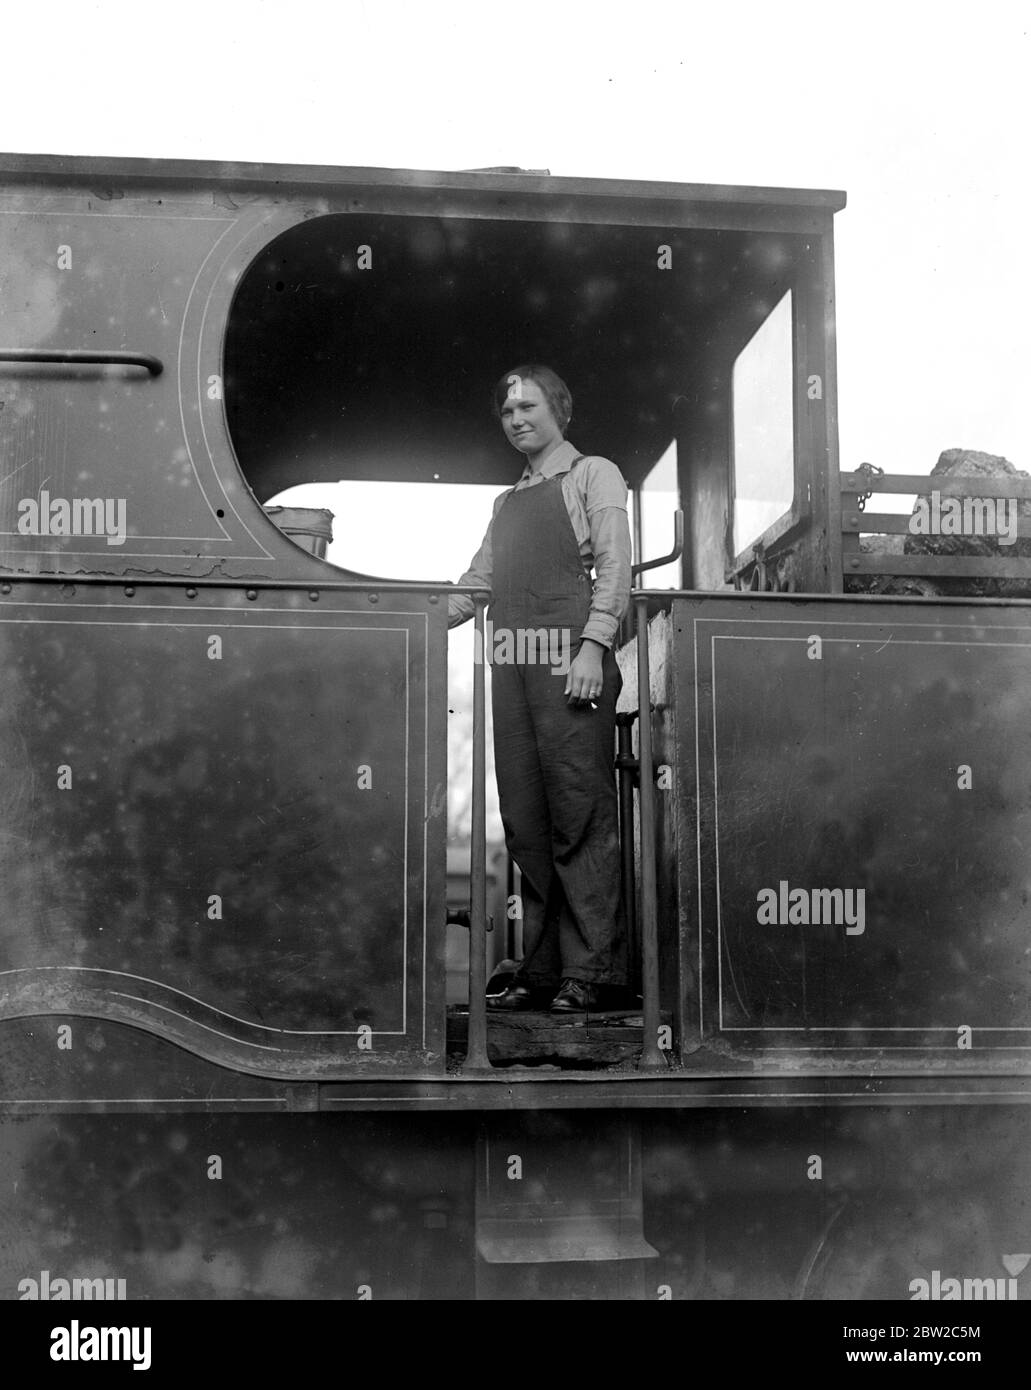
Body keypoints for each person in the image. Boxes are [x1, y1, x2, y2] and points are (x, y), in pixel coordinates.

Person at [448, 366, 632, 1011]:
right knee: (527, 821)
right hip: (512, 669)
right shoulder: (507, 503)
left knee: (579, 815)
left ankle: (594, 970)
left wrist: (592, 647)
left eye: (528, 406)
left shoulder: (594, 475)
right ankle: (548, 967)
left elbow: (614, 566)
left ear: (559, 408)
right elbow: (477, 583)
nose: (517, 418)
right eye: (506, 412)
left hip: (571, 664)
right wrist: (406, 616)